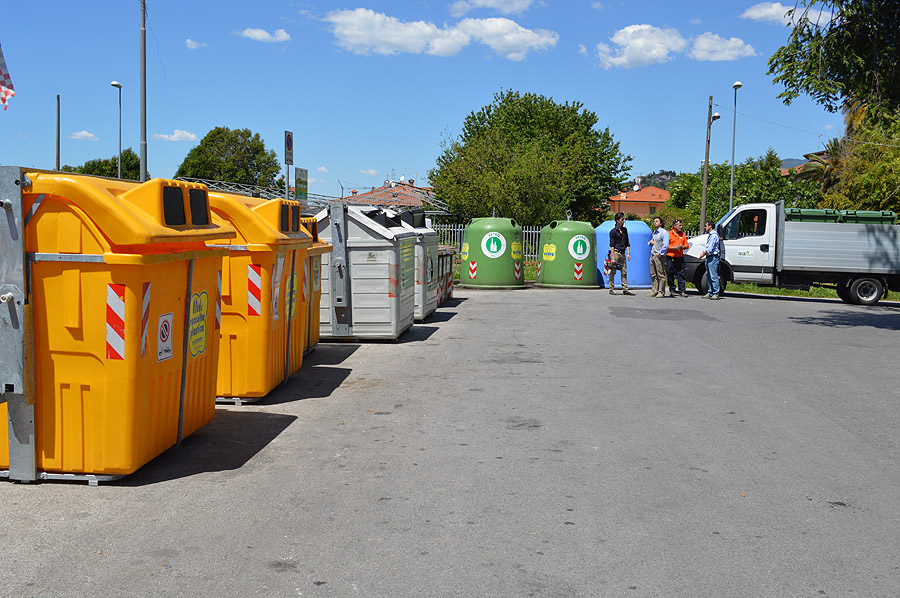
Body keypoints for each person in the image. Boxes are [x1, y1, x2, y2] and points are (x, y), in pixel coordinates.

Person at [608, 212, 633, 295]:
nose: (624, 220)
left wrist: (628, 253)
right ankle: (611, 288)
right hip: (616, 252)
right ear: (617, 220)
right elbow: (611, 245)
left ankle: (625, 289)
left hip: (623, 253)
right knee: (613, 271)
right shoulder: (613, 232)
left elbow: (627, 243)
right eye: (622, 219)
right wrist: (613, 257)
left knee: (624, 271)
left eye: (624, 219)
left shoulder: (625, 230)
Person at [665, 218, 690, 297]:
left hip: (679, 257)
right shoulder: (668, 234)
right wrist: (673, 248)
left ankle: (682, 290)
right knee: (670, 273)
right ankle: (672, 289)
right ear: (674, 226)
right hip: (670, 257)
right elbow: (665, 246)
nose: (681, 227)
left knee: (681, 274)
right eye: (679, 225)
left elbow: (687, 245)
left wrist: (681, 247)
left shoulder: (682, 234)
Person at [698, 220, 721, 300]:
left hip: (713, 257)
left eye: (706, 225)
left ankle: (716, 292)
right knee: (708, 275)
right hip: (709, 257)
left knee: (713, 275)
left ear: (710, 226)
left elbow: (710, 248)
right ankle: (710, 291)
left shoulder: (714, 235)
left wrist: (703, 253)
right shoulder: (710, 235)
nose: (705, 227)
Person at [648, 216, 669, 297]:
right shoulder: (655, 232)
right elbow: (654, 242)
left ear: (660, 223)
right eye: (654, 221)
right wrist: (650, 242)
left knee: (661, 274)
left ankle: (661, 292)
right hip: (653, 254)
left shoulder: (664, 232)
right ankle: (654, 290)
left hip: (659, 255)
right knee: (653, 274)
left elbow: (666, 244)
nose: (654, 222)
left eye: (656, 221)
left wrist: (661, 253)